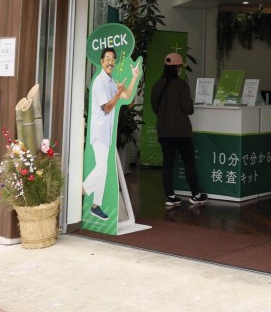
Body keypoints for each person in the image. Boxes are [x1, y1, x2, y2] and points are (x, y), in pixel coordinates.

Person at [82, 47, 141, 220]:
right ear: (101, 62)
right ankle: (81, 190)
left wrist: (135, 77)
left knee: (103, 170)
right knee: (101, 169)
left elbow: (128, 95)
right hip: (99, 132)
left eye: (113, 59)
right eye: (107, 58)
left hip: (106, 134)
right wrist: (116, 94)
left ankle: (95, 205)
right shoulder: (100, 82)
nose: (110, 62)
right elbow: (107, 107)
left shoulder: (111, 81)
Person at [150, 53, 207, 208]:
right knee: (189, 162)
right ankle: (196, 195)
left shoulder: (156, 86)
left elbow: (155, 108)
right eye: (180, 67)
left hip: (164, 131)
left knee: (168, 163)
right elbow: (188, 109)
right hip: (181, 132)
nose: (181, 69)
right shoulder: (182, 85)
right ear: (177, 68)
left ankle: (170, 196)